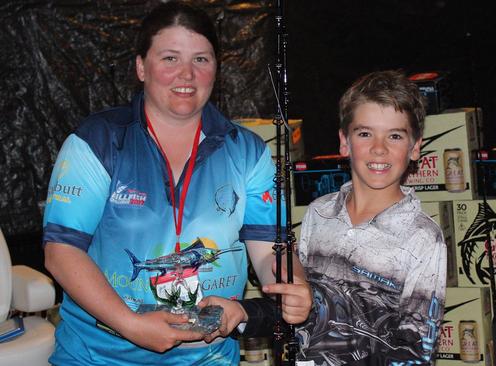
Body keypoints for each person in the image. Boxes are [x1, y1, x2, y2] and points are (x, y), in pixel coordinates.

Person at [42, 2, 311, 365]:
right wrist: (131, 325)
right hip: (98, 356)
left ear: (216, 68)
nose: (186, 74)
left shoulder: (247, 151)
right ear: (141, 67)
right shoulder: (98, 141)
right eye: (170, 58)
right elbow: (62, 253)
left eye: (201, 59)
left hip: (208, 358)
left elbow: (268, 249)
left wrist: (290, 285)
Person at [295, 70, 447, 365]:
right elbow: (305, 310)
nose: (379, 148)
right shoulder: (318, 213)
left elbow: (418, 348)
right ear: (344, 141)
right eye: (365, 133)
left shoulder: (423, 236)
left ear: (415, 147)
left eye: (394, 135)